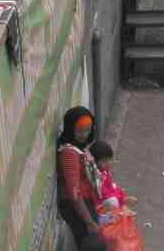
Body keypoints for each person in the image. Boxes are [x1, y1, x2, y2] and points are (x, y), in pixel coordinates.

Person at [56, 106, 106, 251]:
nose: (85, 134)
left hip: (84, 203)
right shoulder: (69, 154)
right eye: (80, 130)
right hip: (76, 207)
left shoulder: (77, 147)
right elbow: (74, 192)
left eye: (88, 129)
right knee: (92, 246)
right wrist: (89, 222)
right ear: (71, 128)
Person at [89, 140, 136, 213]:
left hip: (107, 201)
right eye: (104, 161)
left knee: (114, 188)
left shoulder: (104, 172)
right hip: (100, 208)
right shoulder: (96, 179)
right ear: (95, 162)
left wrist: (123, 199)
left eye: (109, 159)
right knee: (113, 201)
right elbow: (105, 195)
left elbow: (111, 187)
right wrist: (123, 201)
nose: (109, 163)